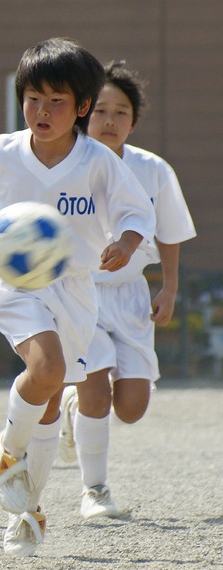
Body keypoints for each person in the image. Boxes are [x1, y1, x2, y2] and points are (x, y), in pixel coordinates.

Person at [0, 38, 156, 556]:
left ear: (81, 108)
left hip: (76, 288)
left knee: (51, 400)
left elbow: (134, 213)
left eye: (57, 101)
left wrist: (124, 242)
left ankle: (27, 513)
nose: (42, 110)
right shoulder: (3, 151)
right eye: (33, 98)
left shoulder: (98, 161)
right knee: (48, 368)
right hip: (16, 282)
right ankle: (8, 452)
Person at [58, 61, 195, 519]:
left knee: (132, 407)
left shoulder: (152, 169)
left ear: (133, 121)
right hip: (80, 294)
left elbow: (171, 231)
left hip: (131, 295)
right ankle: (94, 492)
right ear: (82, 115)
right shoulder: (65, 164)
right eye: (99, 110)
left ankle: (74, 403)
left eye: (121, 112)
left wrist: (169, 287)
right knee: (97, 390)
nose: (110, 121)